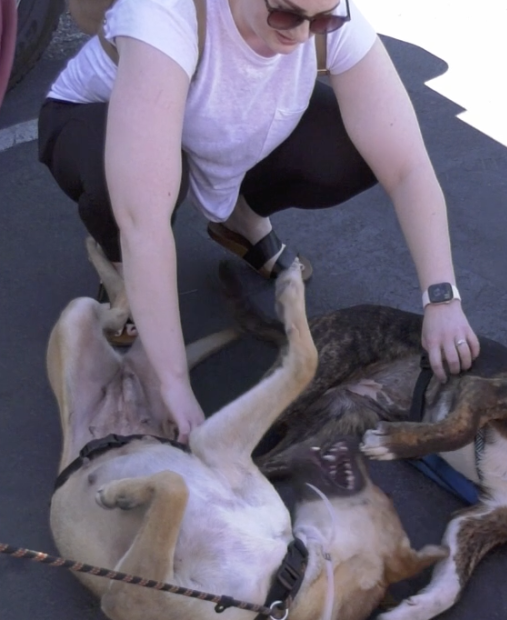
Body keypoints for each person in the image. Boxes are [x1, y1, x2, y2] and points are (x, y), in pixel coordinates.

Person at [37, 0, 479, 442]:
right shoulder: (165, 14)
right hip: (104, 123)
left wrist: (442, 299)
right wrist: (170, 379)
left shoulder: (326, 19)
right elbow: (142, 220)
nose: (304, 35)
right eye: (286, 13)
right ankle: (122, 274)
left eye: (322, 18)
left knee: (353, 150)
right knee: (126, 192)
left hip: (215, 126)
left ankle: (238, 215)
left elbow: (407, 167)